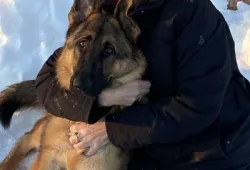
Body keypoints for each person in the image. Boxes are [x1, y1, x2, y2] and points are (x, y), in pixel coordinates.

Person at [34, 0, 250, 169]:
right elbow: (46, 81)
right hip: (150, 141)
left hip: (211, 148)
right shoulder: (102, 10)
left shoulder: (195, 17)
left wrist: (109, 129)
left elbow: (197, 107)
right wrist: (101, 99)